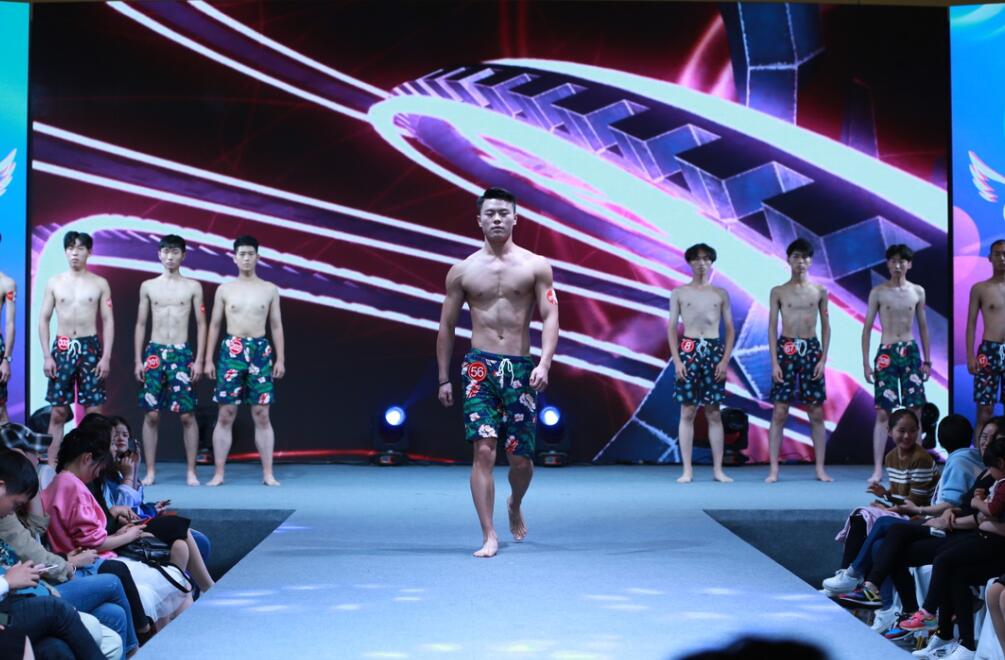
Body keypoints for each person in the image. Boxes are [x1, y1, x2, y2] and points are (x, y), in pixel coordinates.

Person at [436, 187, 559, 558]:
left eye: (503, 213)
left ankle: (515, 502)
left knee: (520, 459)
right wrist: (443, 377)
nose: (497, 219)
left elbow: (551, 316)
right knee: (485, 451)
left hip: (520, 368)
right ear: (479, 220)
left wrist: (544, 362)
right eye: (490, 213)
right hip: (479, 368)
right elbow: (446, 326)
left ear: (515, 218)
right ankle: (488, 534)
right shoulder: (462, 271)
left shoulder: (536, 266)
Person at [204, 235, 285, 487]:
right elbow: (214, 325)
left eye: (251, 254)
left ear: (258, 257)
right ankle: (219, 473)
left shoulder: (269, 289)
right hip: (232, 349)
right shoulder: (225, 289)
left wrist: (280, 358)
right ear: (234, 257)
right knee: (226, 413)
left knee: (262, 414)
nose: (246, 258)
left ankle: (268, 473)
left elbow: (276, 325)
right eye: (242, 254)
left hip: (260, 350)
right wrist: (208, 359)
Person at [133, 235, 207, 487]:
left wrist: (200, 360)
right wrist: (138, 360)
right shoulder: (148, 286)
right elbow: (141, 323)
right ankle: (150, 471)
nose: (170, 256)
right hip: (154, 352)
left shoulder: (193, 287)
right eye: (165, 251)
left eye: (175, 252)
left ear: (183, 255)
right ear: (159, 254)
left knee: (187, 415)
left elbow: (202, 324)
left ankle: (191, 471)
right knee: (151, 415)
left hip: (181, 352)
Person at [38, 231, 114, 467]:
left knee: (94, 413)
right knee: (58, 412)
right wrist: (47, 356)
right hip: (62, 348)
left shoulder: (99, 283)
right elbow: (43, 319)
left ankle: (94, 467)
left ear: (89, 252)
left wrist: (106, 357)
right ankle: (52, 468)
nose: (75, 253)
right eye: (71, 248)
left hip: (89, 347)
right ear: (65, 251)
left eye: (80, 248)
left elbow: (108, 320)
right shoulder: (54, 282)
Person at [861, 244, 931, 483]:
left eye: (902, 261)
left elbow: (923, 327)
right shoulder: (878, 292)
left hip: (910, 351)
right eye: (893, 261)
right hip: (887, 352)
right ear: (888, 264)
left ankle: (916, 466)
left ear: (909, 264)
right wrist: (866, 363)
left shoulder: (917, 291)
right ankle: (878, 469)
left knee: (915, 411)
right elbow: (867, 328)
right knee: (883, 412)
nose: (897, 265)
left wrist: (927, 360)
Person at [668, 243, 735, 484]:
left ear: (711, 262)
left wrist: (724, 360)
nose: (701, 263)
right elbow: (671, 328)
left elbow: (730, 329)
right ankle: (687, 470)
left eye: (706, 259)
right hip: (688, 348)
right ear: (689, 262)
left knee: (714, 412)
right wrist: (677, 361)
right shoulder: (679, 292)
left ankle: (718, 470)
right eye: (697, 259)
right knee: (687, 411)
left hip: (714, 350)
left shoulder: (720, 294)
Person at [765, 238, 831, 483]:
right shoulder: (778, 291)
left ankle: (820, 469)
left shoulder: (820, 291)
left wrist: (823, 359)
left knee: (816, 412)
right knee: (779, 411)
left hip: (811, 349)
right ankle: (773, 470)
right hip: (786, 348)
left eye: (804, 257)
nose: (800, 261)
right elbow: (772, 327)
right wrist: (774, 362)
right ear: (788, 259)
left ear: (810, 261)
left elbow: (826, 327)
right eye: (796, 257)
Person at [966, 239, 1005, 437]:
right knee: (984, 411)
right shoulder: (980, 288)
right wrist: (970, 356)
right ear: (990, 258)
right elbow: (971, 324)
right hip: (988, 352)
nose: (1002, 258)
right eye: (997, 254)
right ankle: (979, 455)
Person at [0, 234, 16, 425]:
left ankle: (7, 444)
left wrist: (6, 359)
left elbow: (10, 323)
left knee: (0, 410)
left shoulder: (6, 283)